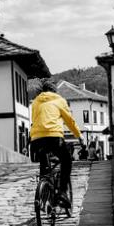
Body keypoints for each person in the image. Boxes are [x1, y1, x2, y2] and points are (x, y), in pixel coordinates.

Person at [30, 79, 83, 209]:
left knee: (45, 166)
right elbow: (70, 121)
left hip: (36, 139)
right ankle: (62, 193)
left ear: (42, 91)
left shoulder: (36, 102)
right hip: (54, 137)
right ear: (55, 91)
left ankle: (44, 195)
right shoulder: (60, 101)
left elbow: (35, 120)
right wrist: (79, 136)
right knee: (66, 160)